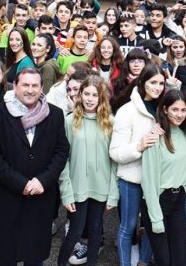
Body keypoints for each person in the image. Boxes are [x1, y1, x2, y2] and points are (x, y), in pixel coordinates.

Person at [0, 67, 70, 266]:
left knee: (35, 253)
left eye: (35, 85)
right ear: (15, 86)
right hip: (7, 195)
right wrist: (21, 183)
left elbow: (61, 151)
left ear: (41, 88)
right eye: (25, 85)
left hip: (41, 196)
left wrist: (43, 180)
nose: (30, 90)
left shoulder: (55, 115)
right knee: (6, 253)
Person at [57, 75, 118, 266]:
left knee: (96, 230)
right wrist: (66, 193)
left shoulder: (110, 121)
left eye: (95, 95)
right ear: (80, 95)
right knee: (75, 230)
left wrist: (113, 195)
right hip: (77, 187)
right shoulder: (69, 121)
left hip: (101, 187)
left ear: (102, 97)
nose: (90, 99)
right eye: (86, 94)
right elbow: (63, 160)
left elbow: (115, 162)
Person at [110, 64, 165, 266]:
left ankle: (142, 262)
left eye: (161, 83)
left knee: (153, 224)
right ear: (142, 83)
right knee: (128, 226)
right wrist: (140, 145)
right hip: (131, 179)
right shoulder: (127, 111)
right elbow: (115, 152)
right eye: (153, 82)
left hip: (157, 180)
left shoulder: (164, 109)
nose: (157, 87)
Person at [140, 89, 186, 266]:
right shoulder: (155, 137)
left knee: (178, 259)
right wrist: (156, 219)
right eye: (175, 109)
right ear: (164, 110)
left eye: (183, 110)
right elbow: (148, 182)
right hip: (159, 201)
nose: (179, 114)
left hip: (178, 201)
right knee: (164, 260)